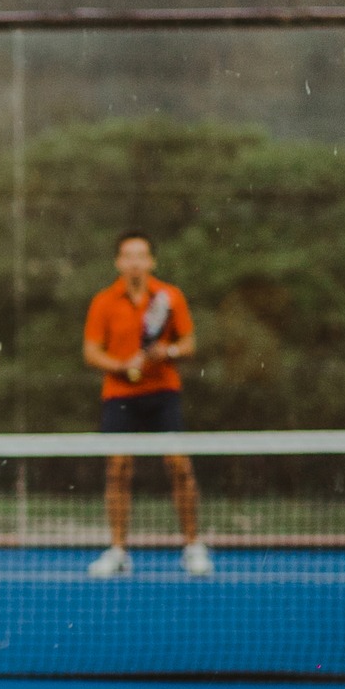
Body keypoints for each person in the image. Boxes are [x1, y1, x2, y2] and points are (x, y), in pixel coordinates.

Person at [81, 230, 213, 577]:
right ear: (118, 262)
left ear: (151, 261)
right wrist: (121, 366)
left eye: (141, 256)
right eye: (128, 256)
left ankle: (192, 546)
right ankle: (118, 551)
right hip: (119, 396)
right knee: (118, 469)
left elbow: (188, 344)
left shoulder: (170, 297)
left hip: (163, 393)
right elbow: (91, 352)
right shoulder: (103, 301)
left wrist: (166, 351)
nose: (135, 262)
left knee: (179, 466)